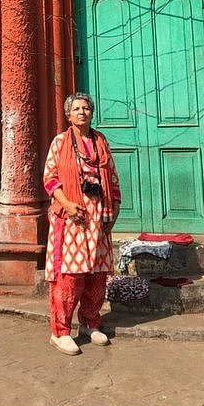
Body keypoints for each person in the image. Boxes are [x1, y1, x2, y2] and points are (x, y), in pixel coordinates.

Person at [43, 92, 121, 355]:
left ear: (92, 113)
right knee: (70, 276)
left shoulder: (100, 142)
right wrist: (66, 204)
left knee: (96, 276)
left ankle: (90, 322)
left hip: (98, 217)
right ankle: (60, 331)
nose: (82, 112)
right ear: (68, 115)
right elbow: (50, 179)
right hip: (71, 217)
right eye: (76, 109)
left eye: (86, 108)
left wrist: (115, 207)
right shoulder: (60, 143)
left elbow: (111, 176)